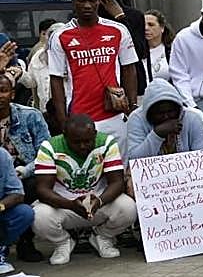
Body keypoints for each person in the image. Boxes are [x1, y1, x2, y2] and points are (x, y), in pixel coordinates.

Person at [48, 0, 139, 148]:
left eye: (92, 0)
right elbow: (56, 79)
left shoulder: (118, 30)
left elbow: (130, 69)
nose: (87, 5)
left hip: (115, 116)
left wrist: (131, 107)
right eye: (82, 0)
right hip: (79, 119)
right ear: (73, 3)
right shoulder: (60, 36)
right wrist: (63, 120)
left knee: (118, 171)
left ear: (100, 1)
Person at [32, 113, 136, 265]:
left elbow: (117, 182)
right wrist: (71, 204)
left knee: (129, 208)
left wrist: (99, 201)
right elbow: (42, 190)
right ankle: (63, 243)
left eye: (88, 141)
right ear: (65, 136)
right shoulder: (49, 147)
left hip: (98, 202)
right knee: (37, 216)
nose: (82, 146)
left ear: (95, 134)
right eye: (76, 142)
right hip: (64, 205)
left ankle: (102, 237)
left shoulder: (106, 142)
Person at [0, 71, 49, 262]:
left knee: (33, 185)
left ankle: (25, 241)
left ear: (12, 94)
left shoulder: (31, 116)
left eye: (3, 91)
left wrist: (25, 170)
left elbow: (46, 155)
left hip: (25, 173)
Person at [84, 0, 150, 98]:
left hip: (132, 89)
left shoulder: (134, 16)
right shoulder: (85, 17)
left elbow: (139, 52)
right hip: (97, 90)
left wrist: (120, 17)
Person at [125, 79, 203, 159]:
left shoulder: (192, 118)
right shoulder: (137, 119)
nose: (166, 116)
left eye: (170, 111)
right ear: (150, 113)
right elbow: (134, 159)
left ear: (178, 109)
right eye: (160, 113)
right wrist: (157, 134)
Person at [0, 148, 34, 274]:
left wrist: (0, 206)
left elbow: (17, 194)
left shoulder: (2, 155)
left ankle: (1, 249)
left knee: (24, 213)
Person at [20, 18, 60, 113]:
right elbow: (31, 82)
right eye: (50, 35)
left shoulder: (72, 56)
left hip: (68, 111)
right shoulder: (38, 56)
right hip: (44, 112)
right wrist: (20, 72)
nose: (53, 40)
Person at [144, 9, 173, 82]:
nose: (146, 28)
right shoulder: (136, 52)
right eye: (143, 25)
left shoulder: (172, 50)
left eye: (151, 25)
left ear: (162, 28)